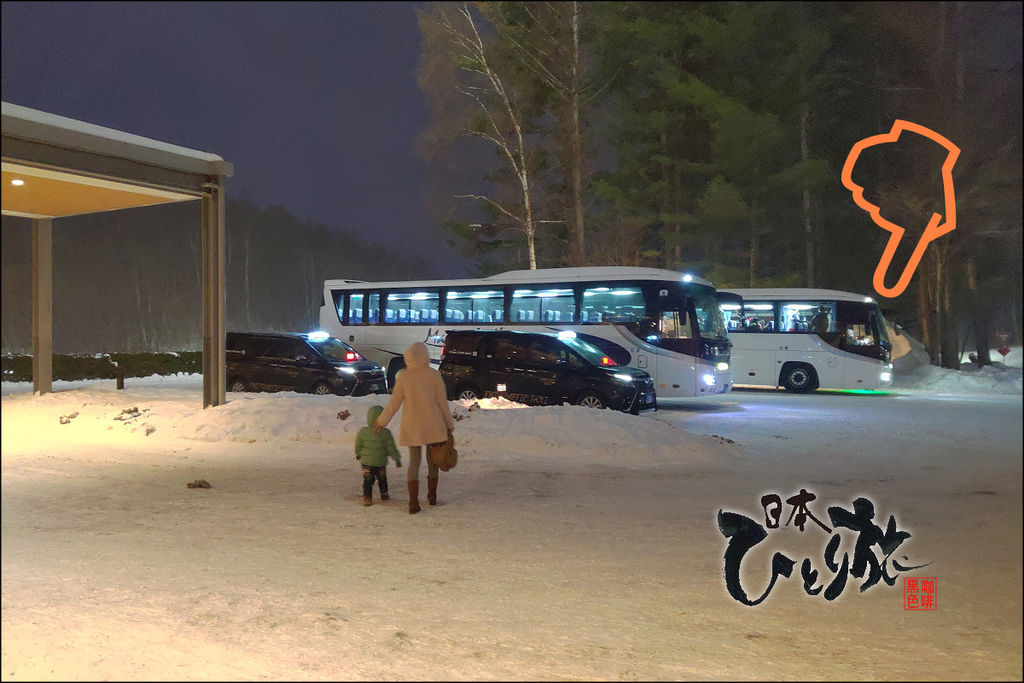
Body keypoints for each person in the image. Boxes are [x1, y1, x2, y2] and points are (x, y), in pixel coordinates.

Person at [374, 342, 455, 514]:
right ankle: (432, 496)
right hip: (433, 424)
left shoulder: (404, 377)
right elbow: (442, 403)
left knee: (414, 463)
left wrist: (381, 421)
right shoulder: (434, 375)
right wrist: (449, 423)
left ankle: (413, 501)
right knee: (433, 461)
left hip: (413, 426)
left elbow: (394, 403)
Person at [354, 405, 402, 506]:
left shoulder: (363, 432)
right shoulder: (386, 433)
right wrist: (397, 459)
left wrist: (358, 454)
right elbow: (391, 447)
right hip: (380, 463)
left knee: (367, 480)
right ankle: (384, 493)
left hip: (366, 463)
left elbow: (358, 445)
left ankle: (367, 497)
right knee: (382, 478)